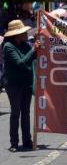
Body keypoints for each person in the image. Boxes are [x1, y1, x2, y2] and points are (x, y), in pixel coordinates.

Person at [2, 20, 41, 152]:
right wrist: (33, 50)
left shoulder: (24, 44)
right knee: (15, 113)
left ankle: (26, 140)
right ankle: (14, 142)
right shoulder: (8, 46)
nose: (26, 34)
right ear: (17, 35)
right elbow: (20, 63)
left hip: (26, 83)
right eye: (23, 32)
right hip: (14, 84)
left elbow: (32, 57)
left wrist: (37, 46)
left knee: (26, 113)